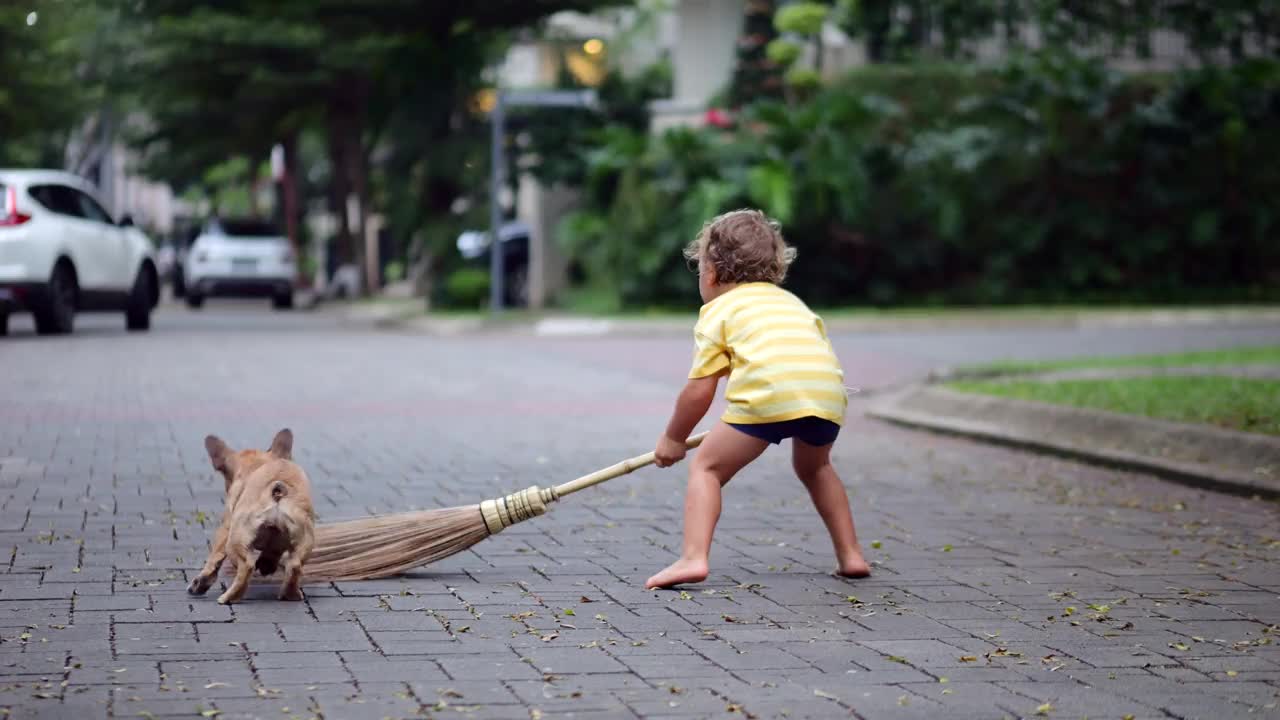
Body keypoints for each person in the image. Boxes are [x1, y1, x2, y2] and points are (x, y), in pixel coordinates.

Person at [646, 209, 871, 589]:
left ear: (712, 273)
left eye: (699, 270)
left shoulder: (719, 311)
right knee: (816, 467)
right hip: (826, 397)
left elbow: (700, 390)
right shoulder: (793, 305)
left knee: (707, 469)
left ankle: (693, 557)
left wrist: (673, 438)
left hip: (768, 400)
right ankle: (851, 555)